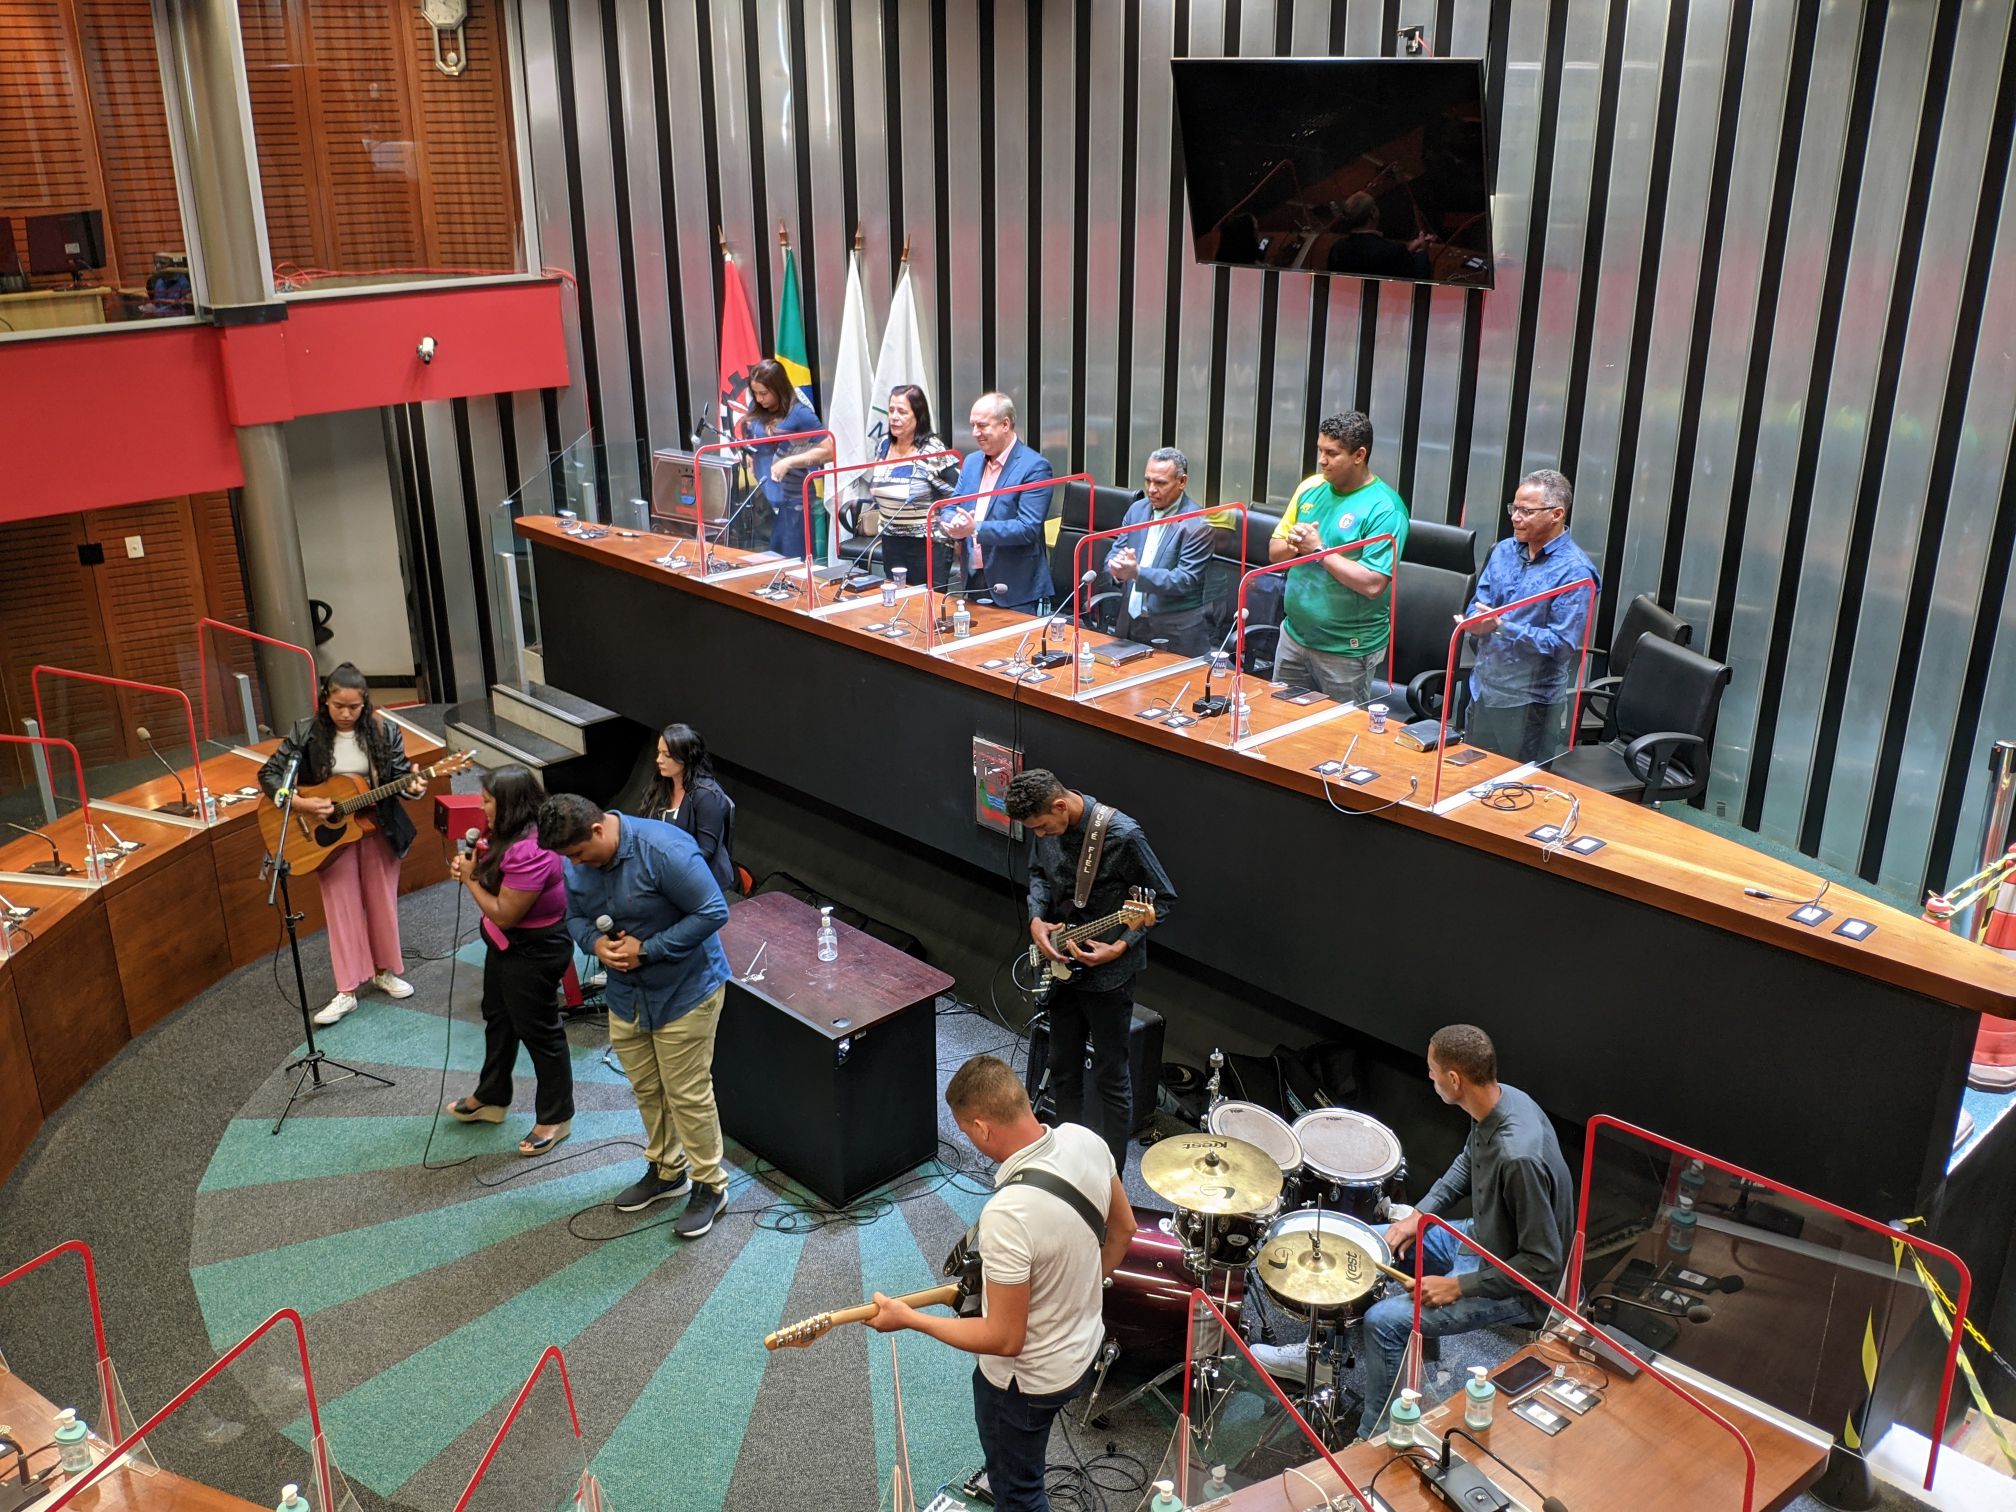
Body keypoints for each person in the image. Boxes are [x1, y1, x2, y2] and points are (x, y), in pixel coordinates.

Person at [1255, 1025, 1575, 1442]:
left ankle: (1377, 1437)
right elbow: (1466, 1164)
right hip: (1481, 1238)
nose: (1429, 1076)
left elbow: (1542, 1265)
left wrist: (1457, 1286)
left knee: (1384, 1321)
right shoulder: (1502, 1100)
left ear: (1454, 1079)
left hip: (1516, 1284)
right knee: (1361, 1247)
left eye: (1432, 1070)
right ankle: (1326, 1357)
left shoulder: (1518, 1158)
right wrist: (1418, 1217)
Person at [867, 1055, 1136, 1512]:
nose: (970, 1140)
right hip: (1085, 1349)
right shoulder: (1085, 1140)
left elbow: (1004, 1339)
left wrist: (910, 1319)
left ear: (982, 1127)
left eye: (967, 1131)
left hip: (1026, 1384)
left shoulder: (1008, 1214)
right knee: (1024, 1471)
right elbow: (1124, 1229)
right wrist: (1078, 1289)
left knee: (1018, 1494)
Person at [538, 793, 733, 1239]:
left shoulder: (664, 850)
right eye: (569, 858)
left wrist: (647, 950)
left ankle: (710, 1184)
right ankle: (667, 1171)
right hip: (627, 997)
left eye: (579, 853)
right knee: (647, 1086)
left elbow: (713, 911)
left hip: (686, 990)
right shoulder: (576, 861)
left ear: (597, 829)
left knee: (687, 1093)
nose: (575, 865)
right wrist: (595, 944)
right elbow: (574, 917)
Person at [1005, 770, 1177, 1172]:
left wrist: (1120, 946)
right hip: (1062, 967)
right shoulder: (1044, 825)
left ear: (1059, 805)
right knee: (1063, 1069)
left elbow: (1163, 899)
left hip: (1108, 978)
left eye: (1043, 827)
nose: (1040, 835)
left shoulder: (1123, 835)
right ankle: (1069, 1164)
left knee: (1110, 1079)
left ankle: (1110, 1180)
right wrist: (1036, 919)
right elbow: (1038, 874)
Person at [259, 663, 429, 1026]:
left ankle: (384, 971)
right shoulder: (306, 732)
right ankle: (347, 990)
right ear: (326, 700)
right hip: (328, 836)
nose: (347, 714)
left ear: (365, 703)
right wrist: (302, 803)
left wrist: (414, 787)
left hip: (379, 827)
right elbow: (270, 775)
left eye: (355, 707)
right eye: (339, 706)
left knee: (382, 902)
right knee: (341, 908)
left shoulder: (384, 731)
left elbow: (401, 776)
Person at [445, 764, 574, 1156]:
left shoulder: (532, 849)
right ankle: (492, 1097)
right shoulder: (508, 832)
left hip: (535, 949)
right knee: (498, 1019)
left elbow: (504, 913)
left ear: (511, 804)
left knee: (540, 1032)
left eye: (488, 801)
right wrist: (473, 866)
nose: (481, 808)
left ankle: (556, 1116)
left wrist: (470, 878)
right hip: (506, 946)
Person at [1268, 412, 1410, 704]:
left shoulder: (1385, 508)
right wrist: (1296, 544)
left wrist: (1318, 551)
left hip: (1346, 651)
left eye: (1332, 453)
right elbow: (1274, 553)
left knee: (1338, 730)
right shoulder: (1311, 489)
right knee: (1280, 720)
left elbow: (1373, 584)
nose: (1322, 460)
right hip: (1294, 638)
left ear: (1359, 455)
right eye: (1320, 450)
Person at [1463, 469, 1600, 762]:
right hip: (1483, 690)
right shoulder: (1503, 551)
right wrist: (1475, 622)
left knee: (1518, 786)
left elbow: (1562, 645)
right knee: (1471, 778)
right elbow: (1478, 604)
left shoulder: (1575, 572)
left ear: (1556, 514)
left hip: (1529, 704)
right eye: (1514, 508)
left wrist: (1502, 626)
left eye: (1526, 511)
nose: (1515, 517)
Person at [940, 392, 1056, 612]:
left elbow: (1027, 528)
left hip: (1015, 587)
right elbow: (951, 507)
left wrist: (975, 529)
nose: (975, 433)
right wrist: (953, 523)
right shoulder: (972, 462)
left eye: (982, 425)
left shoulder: (1035, 467)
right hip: (973, 578)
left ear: (1005, 424)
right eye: (973, 425)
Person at [1103, 447, 1215, 657]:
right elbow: (1115, 553)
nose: (1151, 489)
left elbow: (1185, 580)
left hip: (1174, 634)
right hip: (1129, 626)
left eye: (1160, 483)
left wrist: (1137, 573)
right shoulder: (1137, 511)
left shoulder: (1198, 524)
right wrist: (1117, 569)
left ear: (1182, 482)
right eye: (1148, 481)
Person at [864, 383, 961, 591]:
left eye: (902, 412)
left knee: (925, 604)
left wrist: (955, 528)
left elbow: (960, 492)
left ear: (918, 416)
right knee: (897, 600)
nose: (894, 417)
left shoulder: (933, 451)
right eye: (891, 410)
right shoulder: (883, 446)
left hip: (927, 544)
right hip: (891, 540)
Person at [741, 357, 834, 558]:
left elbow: (830, 450)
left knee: (792, 563)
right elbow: (754, 434)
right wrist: (751, 452)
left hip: (794, 501)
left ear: (779, 388)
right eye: (755, 393)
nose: (759, 399)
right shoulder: (756, 408)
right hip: (765, 500)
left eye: (763, 393)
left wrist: (789, 462)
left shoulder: (799, 413)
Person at [640, 722, 738, 898]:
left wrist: (665, 872)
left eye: (667, 755)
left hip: (699, 879)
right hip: (665, 868)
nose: (659, 760)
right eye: (659, 752)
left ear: (685, 758)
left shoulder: (706, 796)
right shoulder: (662, 783)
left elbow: (705, 852)